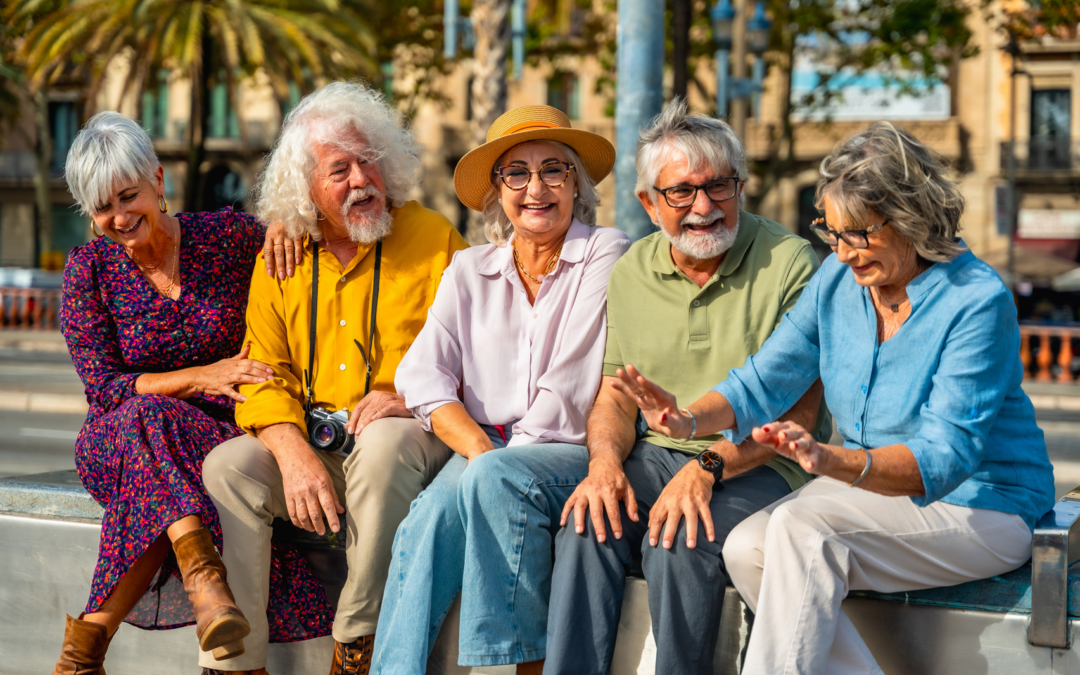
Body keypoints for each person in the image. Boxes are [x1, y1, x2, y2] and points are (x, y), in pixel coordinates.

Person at [634, 122, 1055, 674]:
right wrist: (686, 420)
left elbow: (945, 457)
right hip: (868, 492)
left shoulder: (975, 299)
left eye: (859, 232)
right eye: (832, 232)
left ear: (911, 217)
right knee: (746, 548)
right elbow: (762, 380)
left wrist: (831, 461)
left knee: (800, 531)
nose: (844, 252)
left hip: (983, 504)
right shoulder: (835, 279)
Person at [542, 99, 828, 675]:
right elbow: (617, 394)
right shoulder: (631, 270)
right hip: (656, 454)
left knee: (679, 537)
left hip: (763, 463)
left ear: (740, 186)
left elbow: (799, 416)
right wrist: (603, 466)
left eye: (718, 186)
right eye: (681, 192)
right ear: (649, 204)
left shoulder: (793, 262)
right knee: (585, 519)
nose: (703, 206)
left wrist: (706, 469)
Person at [200, 81, 468, 675]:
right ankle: (235, 663)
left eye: (369, 160)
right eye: (339, 169)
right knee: (229, 468)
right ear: (307, 186)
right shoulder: (282, 255)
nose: (361, 180)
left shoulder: (434, 241)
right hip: (315, 447)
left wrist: (407, 394)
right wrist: (290, 447)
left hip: (403, 438)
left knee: (384, 445)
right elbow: (261, 369)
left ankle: (356, 643)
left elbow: (472, 354)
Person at [371, 105, 630, 675]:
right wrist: (481, 453)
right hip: (486, 445)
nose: (535, 188)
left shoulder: (604, 252)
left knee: (488, 484)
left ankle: (517, 667)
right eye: (517, 173)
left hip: (570, 451)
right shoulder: (469, 268)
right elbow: (422, 376)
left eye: (554, 170)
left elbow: (569, 385)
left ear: (576, 185)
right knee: (426, 522)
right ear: (497, 190)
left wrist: (493, 469)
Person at [54, 111, 303, 674]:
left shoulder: (227, 237)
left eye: (128, 195)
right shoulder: (87, 270)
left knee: (153, 447)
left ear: (158, 181)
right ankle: (204, 581)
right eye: (102, 207)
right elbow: (104, 390)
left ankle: (84, 651)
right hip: (119, 439)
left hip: (215, 436)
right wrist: (202, 375)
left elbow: (298, 248)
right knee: (146, 416)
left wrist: (286, 221)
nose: (119, 216)